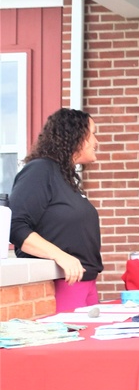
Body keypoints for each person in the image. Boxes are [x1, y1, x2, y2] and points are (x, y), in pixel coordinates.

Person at [9, 108, 103, 311]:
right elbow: (15, 226)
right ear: (75, 136)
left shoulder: (65, 177)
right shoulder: (40, 170)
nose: (96, 142)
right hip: (61, 284)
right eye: (93, 134)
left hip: (85, 283)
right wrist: (61, 256)